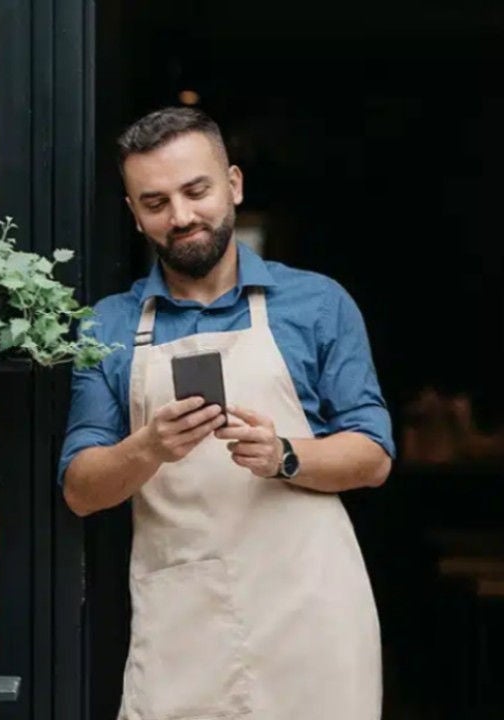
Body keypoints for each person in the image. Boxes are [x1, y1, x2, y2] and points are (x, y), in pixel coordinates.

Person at [58, 106, 394, 720]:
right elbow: (80, 489)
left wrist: (285, 455)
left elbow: (372, 456)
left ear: (233, 184)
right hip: (183, 619)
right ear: (135, 216)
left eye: (196, 191)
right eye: (155, 202)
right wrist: (148, 448)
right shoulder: (106, 326)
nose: (181, 217)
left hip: (312, 617)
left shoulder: (317, 304)